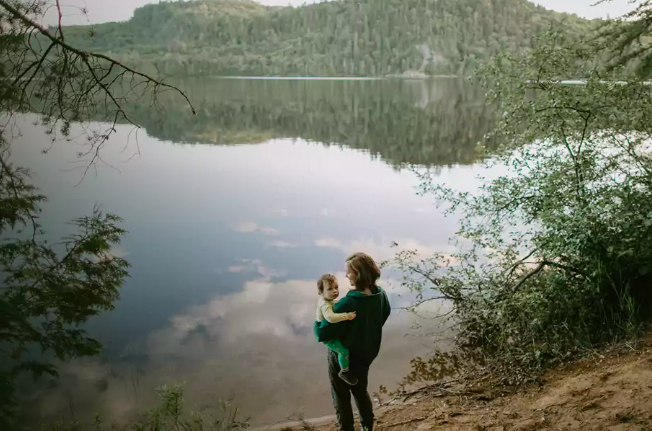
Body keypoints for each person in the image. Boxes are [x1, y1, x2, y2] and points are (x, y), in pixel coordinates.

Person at [314, 252, 391, 431]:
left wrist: (317, 321)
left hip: (342, 358)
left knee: (341, 397)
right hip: (365, 355)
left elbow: (322, 334)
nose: (346, 275)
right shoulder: (380, 295)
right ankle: (367, 427)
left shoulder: (347, 303)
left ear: (358, 273)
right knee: (360, 393)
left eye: (348, 272)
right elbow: (383, 316)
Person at [315, 274, 358, 385]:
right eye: (330, 289)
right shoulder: (325, 304)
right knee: (343, 351)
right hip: (326, 334)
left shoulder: (329, 300)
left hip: (328, 329)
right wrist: (346, 316)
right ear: (321, 292)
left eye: (336, 287)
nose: (334, 291)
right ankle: (344, 371)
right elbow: (330, 318)